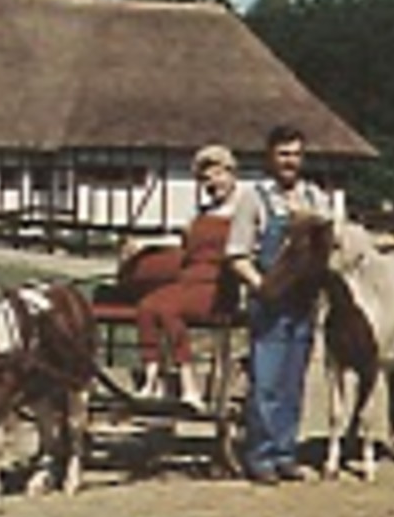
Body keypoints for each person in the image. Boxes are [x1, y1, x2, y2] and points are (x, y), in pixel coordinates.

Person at [224, 123, 333, 485]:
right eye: (284, 154)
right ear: (270, 157)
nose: (290, 161)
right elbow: (237, 254)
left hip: (305, 301)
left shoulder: (317, 198)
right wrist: (262, 287)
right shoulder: (254, 199)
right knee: (267, 382)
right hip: (270, 303)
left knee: (293, 382)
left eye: (296, 155)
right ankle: (261, 456)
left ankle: (287, 453)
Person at [128, 144, 244, 411]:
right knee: (147, 307)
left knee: (168, 310)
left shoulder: (244, 211)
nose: (212, 183)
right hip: (188, 280)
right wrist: (146, 245)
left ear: (231, 174)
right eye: (205, 179)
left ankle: (189, 385)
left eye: (217, 175)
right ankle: (153, 378)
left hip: (218, 284)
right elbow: (179, 242)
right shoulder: (199, 214)